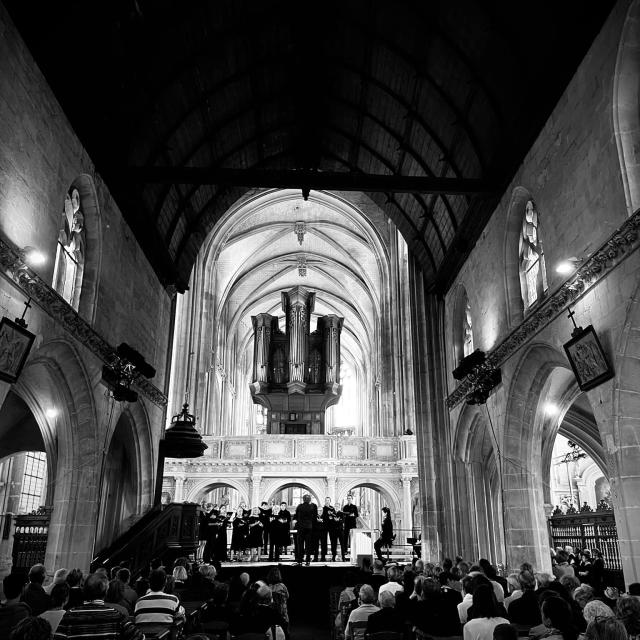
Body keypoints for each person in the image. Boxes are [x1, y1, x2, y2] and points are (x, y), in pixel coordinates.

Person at [54, 572, 143, 639]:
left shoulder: (70, 614)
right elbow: (139, 637)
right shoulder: (117, 615)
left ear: (84, 589)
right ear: (106, 592)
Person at [293, 493, 317, 565]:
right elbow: (314, 518)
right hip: (309, 527)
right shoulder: (313, 507)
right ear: (309, 499)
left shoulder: (300, 506)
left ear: (303, 499)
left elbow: (296, 516)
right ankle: (308, 561)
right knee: (308, 545)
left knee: (300, 544)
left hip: (301, 527)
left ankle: (300, 560)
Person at [266, 567, 290, 639]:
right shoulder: (282, 586)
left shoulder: (267, 588)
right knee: (285, 631)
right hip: (282, 614)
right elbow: (288, 596)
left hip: (272, 614)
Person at [323, 497, 344, 561]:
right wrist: (334, 520)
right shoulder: (332, 513)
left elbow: (343, 521)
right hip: (333, 531)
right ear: (334, 507)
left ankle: (343, 557)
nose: (337, 507)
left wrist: (338, 520)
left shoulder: (341, 513)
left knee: (342, 544)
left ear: (339, 507)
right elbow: (330, 521)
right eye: (336, 506)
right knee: (333, 544)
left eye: (338, 506)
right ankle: (333, 556)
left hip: (340, 531)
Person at [342, 495, 359, 559]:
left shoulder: (354, 507)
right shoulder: (345, 507)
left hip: (352, 524)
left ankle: (353, 550)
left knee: (353, 537)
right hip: (346, 524)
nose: (349, 499)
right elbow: (343, 515)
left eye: (350, 498)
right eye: (348, 498)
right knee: (345, 537)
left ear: (352, 499)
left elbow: (357, 515)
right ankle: (345, 550)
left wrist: (353, 515)